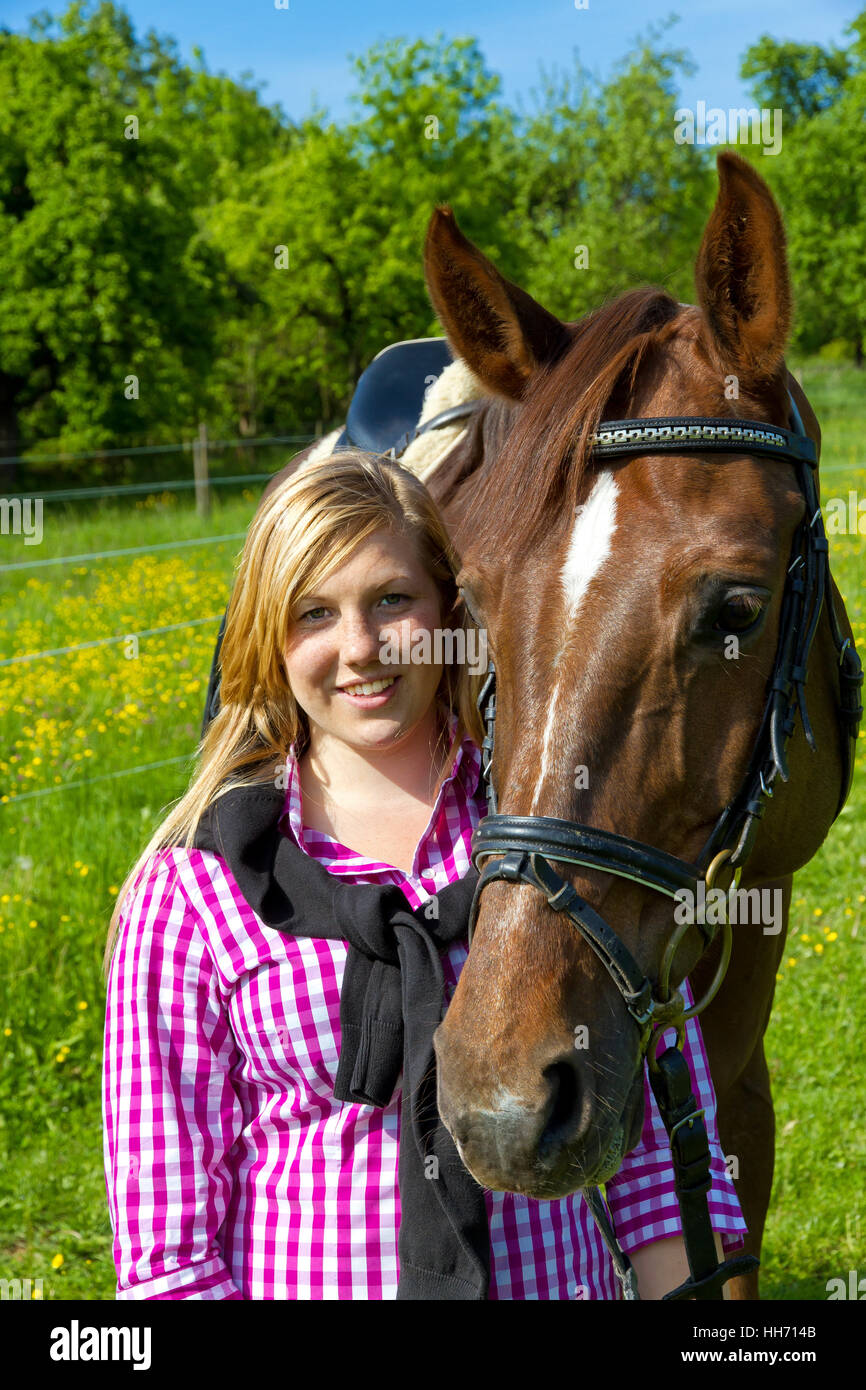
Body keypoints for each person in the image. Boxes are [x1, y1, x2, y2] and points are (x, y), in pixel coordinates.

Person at [102, 448, 747, 1300]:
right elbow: (169, 1252)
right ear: (269, 638)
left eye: (392, 600)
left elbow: (661, 1159)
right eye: (314, 614)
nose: (361, 648)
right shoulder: (193, 890)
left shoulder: (562, 830)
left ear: (451, 606)